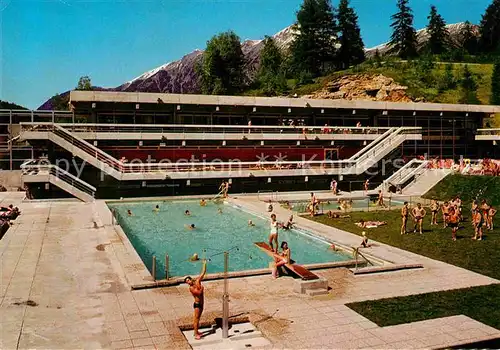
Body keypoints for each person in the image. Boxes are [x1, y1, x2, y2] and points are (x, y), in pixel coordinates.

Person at [184, 259, 207, 340]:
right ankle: (195, 333)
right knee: (196, 319)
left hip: (201, 303)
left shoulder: (197, 280)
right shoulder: (191, 288)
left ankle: (197, 331)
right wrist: (202, 288)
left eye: (188, 280)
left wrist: (204, 264)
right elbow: (199, 293)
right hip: (197, 304)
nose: (188, 282)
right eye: (187, 282)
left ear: (191, 279)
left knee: (198, 318)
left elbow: (203, 272)